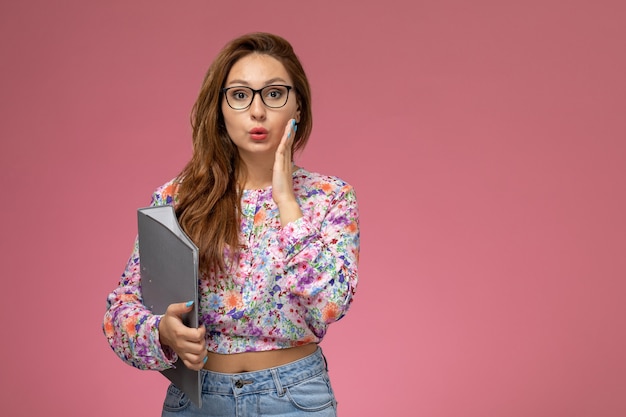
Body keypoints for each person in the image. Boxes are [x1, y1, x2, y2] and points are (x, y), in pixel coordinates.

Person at [103, 32, 359, 416]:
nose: (257, 111)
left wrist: (286, 200)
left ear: (298, 107)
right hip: (196, 400)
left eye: (274, 94)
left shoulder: (329, 197)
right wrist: (162, 330)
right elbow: (121, 311)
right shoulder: (178, 198)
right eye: (240, 95)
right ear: (221, 109)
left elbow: (330, 304)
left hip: (293, 399)